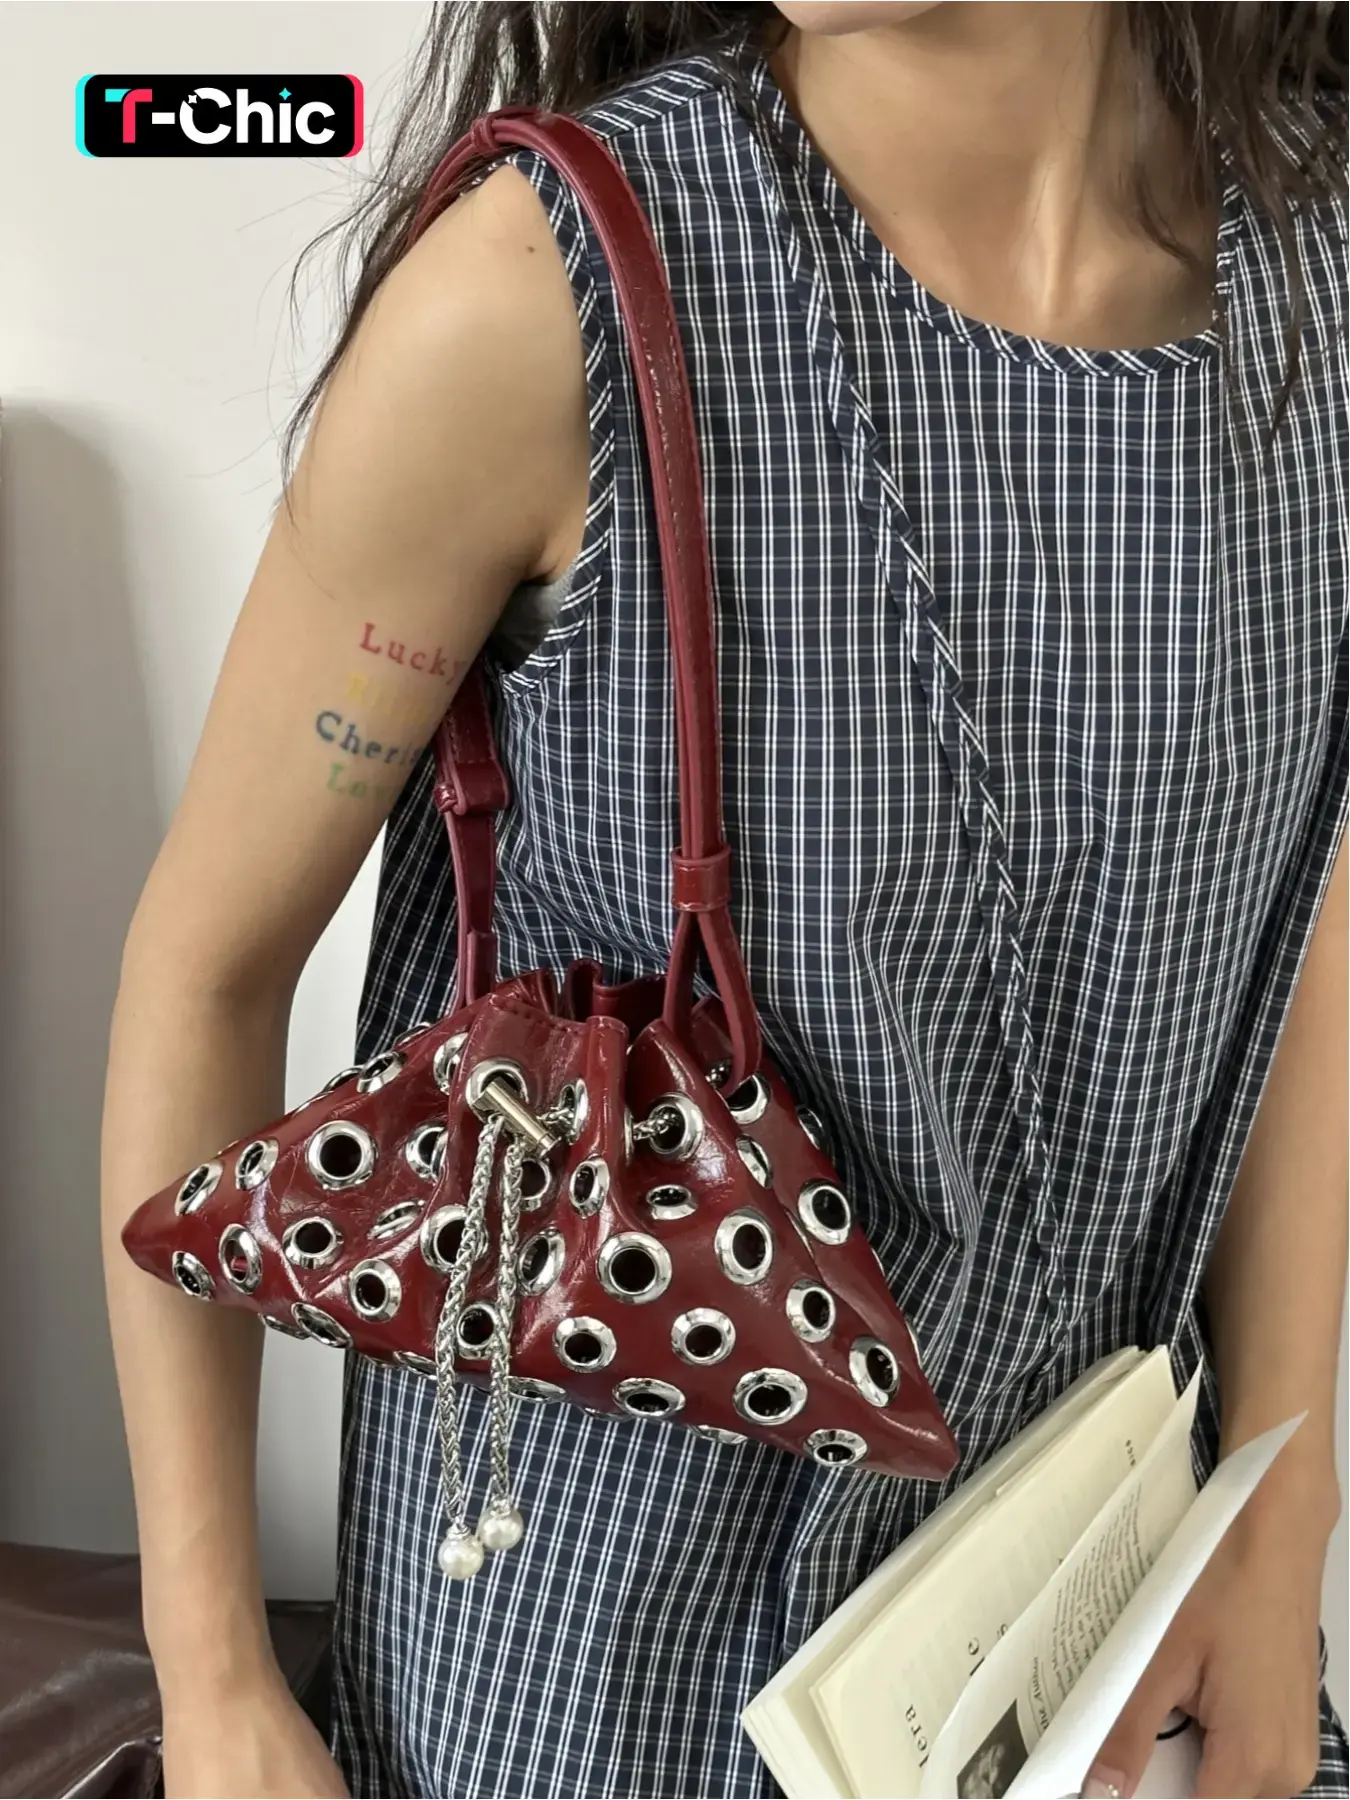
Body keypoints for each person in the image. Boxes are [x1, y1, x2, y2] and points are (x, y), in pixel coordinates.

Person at [100, 3, 1349, 1797]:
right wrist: (215, 1679)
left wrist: (1284, 1495)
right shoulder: (536, 306)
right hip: (598, 1682)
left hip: (1077, 1636)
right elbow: (205, 968)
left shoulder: (1312, 280)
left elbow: (1290, 914)